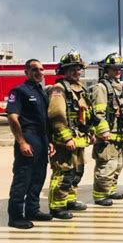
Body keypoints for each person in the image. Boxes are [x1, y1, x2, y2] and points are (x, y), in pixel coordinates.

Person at [6, 59, 55, 229]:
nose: (39, 72)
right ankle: (16, 216)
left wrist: (49, 141)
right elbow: (12, 117)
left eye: (42, 69)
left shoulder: (41, 92)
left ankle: (33, 210)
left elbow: (45, 120)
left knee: (38, 177)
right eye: (35, 69)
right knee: (23, 178)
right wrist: (21, 142)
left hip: (41, 140)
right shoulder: (19, 91)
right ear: (26, 71)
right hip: (28, 138)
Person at [48, 50, 95, 219]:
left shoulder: (79, 89)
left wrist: (91, 132)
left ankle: (70, 200)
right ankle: (57, 206)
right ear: (64, 71)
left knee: (77, 172)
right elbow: (56, 116)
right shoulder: (59, 89)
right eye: (73, 69)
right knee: (64, 172)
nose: (77, 71)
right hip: (65, 142)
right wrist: (67, 138)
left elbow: (86, 114)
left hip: (79, 139)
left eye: (79, 68)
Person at [91, 53, 123, 206]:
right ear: (106, 70)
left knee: (118, 165)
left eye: (120, 69)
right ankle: (100, 195)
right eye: (114, 69)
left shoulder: (119, 88)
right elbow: (98, 113)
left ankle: (110, 190)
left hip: (118, 134)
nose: (118, 71)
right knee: (107, 165)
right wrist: (103, 131)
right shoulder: (101, 88)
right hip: (108, 135)